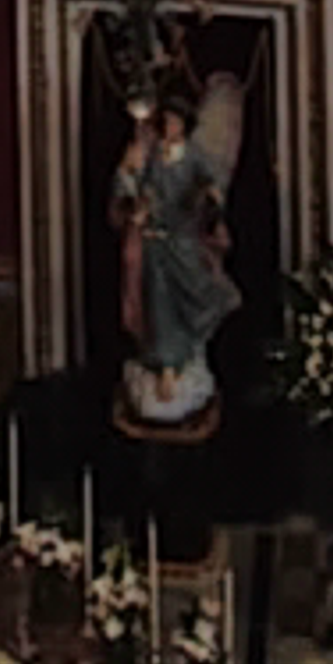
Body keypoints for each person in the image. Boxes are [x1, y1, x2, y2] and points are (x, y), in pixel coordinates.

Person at [111, 50, 242, 440]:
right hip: (154, 243)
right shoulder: (150, 156)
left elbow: (213, 188)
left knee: (193, 297)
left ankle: (184, 359)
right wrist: (131, 190)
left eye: (173, 122)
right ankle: (165, 364)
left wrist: (207, 199)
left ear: (184, 126)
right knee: (157, 302)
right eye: (164, 121)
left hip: (183, 240)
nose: (167, 128)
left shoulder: (194, 158)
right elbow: (129, 186)